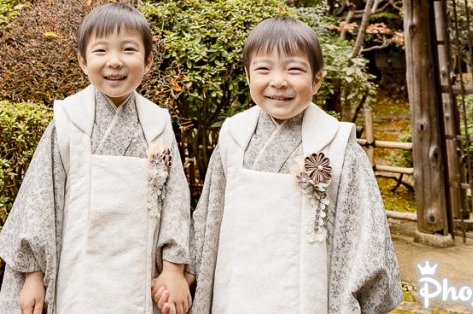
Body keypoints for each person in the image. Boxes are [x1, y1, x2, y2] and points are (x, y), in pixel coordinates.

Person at [155, 16, 402, 314]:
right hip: (235, 290)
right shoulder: (234, 136)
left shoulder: (337, 145)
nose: (278, 81)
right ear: (248, 77)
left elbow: (363, 232)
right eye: (263, 69)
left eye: (294, 69)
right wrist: (184, 273)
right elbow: (209, 216)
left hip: (308, 294)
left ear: (317, 79)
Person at [0, 2, 193, 314]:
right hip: (77, 274)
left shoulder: (157, 125)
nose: (115, 62)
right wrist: (33, 275)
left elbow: (175, 202)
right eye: (101, 51)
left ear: (148, 59)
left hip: (137, 276)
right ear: (83, 62)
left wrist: (173, 267)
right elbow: (39, 200)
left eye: (128, 49)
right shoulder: (68, 120)